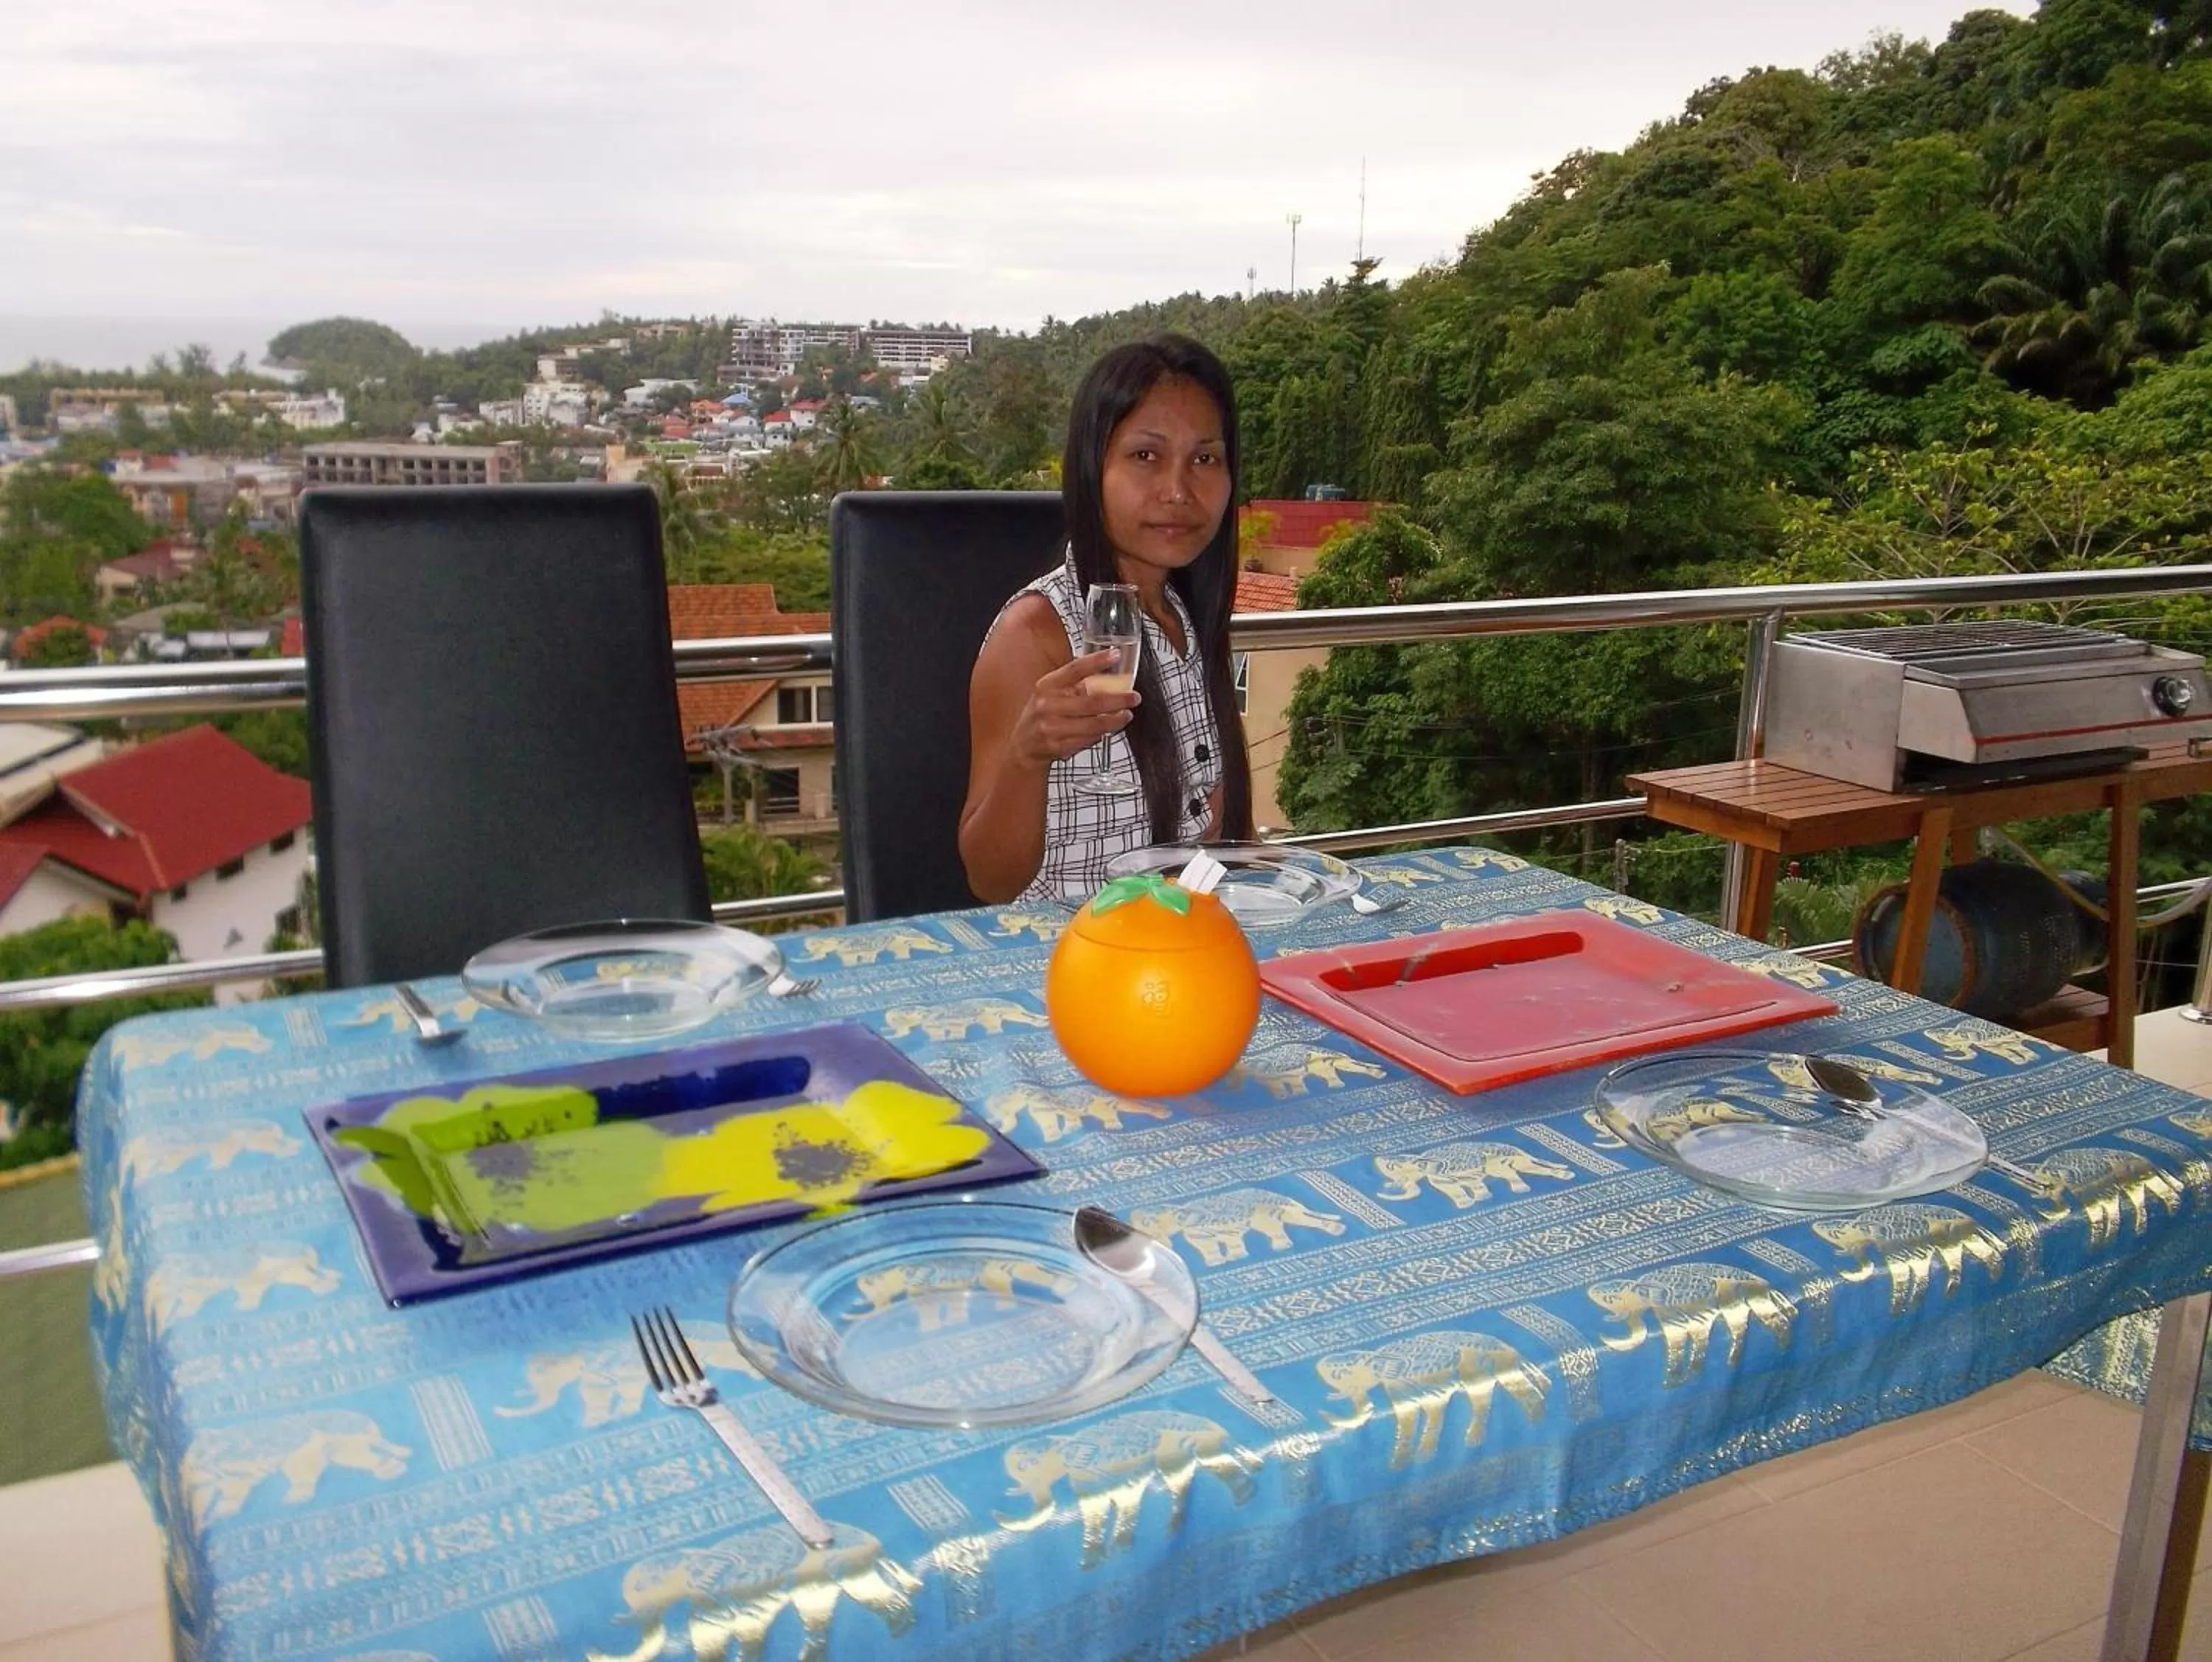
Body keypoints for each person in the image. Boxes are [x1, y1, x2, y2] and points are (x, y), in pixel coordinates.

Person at [960, 334, 1253, 903]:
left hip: (1177, 945)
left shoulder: (1187, 619)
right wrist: (1028, 754)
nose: (1178, 490)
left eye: (1205, 458)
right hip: (1068, 956)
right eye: (1146, 456)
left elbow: (1221, 831)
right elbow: (991, 884)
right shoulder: (1038, 634)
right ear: (1093, 468)